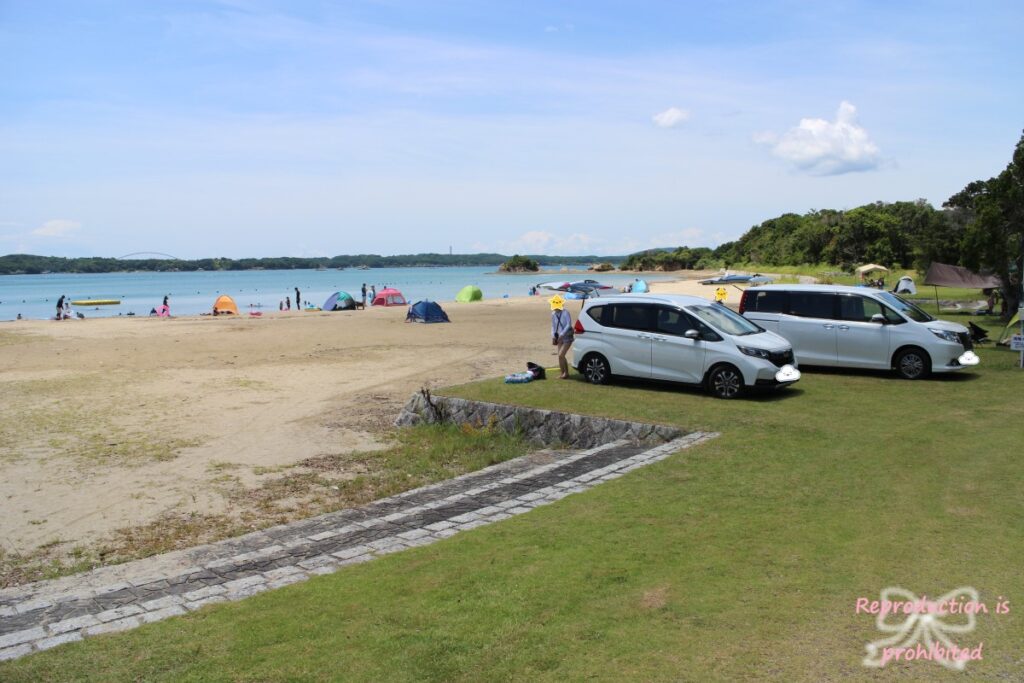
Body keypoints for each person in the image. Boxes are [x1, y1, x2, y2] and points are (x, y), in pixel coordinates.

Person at [550, 295, 574, 379]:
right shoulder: (553, 314)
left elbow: (568, 325)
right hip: (559, 337)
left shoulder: (565, 312)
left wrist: (562, 334)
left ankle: (566, 373)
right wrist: (553, 336)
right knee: (560, 356)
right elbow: (553, 326)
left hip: (567, 336)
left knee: (561, 355)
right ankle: (563, 373)